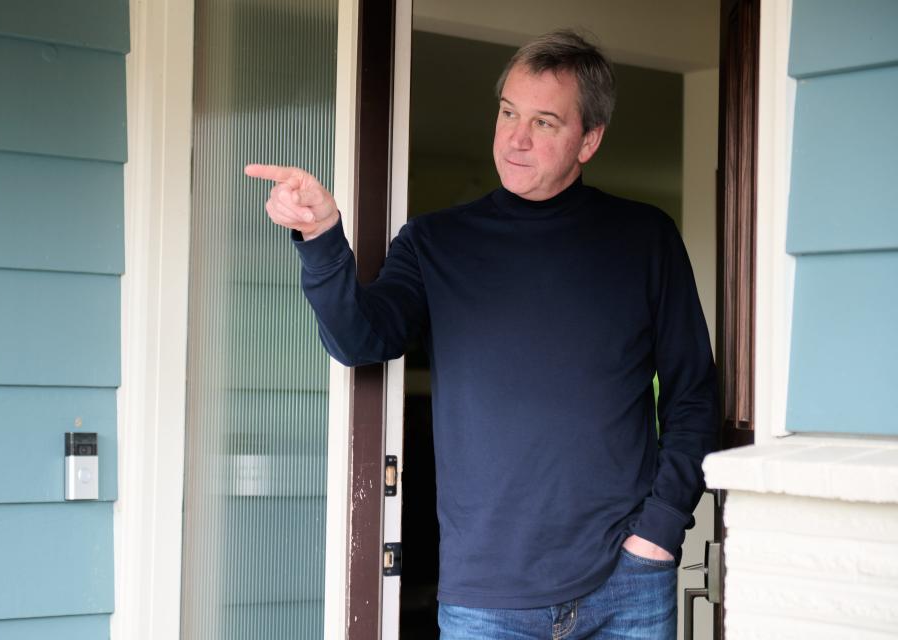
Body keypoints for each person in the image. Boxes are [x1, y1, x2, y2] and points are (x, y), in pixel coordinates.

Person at [246, 29, 717, 640]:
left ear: (589, 140)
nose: (515, 139)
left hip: (626, 584)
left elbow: (693, 395)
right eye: (507, 113)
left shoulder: (645, 239)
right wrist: (323, 238)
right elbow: (361, 339)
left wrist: (659, 531)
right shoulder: (434, 242)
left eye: (545, 122)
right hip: (488, 596)